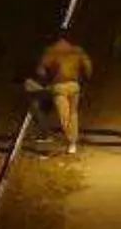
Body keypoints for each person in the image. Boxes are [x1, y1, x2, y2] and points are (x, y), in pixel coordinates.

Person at [35, 27, 94, 155]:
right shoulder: (77, 50)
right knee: (73, 114)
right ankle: (73, 143)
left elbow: (40, 70)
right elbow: (88, 65)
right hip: (74, 85)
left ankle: (70, 141)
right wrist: (86, 78)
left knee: (64, 116)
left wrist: (46, 79)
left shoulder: (51, 51)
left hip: (59, 86)